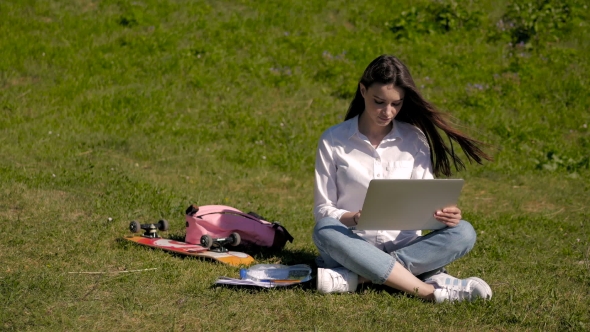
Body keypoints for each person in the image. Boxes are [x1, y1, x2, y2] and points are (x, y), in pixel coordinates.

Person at [312, 55, 494, 302]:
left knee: (464, 232)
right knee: (324, 230)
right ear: (363, 90)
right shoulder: (333, 139)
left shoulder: (414, 139)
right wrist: (354, 217)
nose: (388, 112)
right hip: (352, 244)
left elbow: (426, 200)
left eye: (396, 104)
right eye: (379, 102)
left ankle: (357, 277)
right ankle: (430, 291)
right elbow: (323, 210)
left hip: (404, 245)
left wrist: (445, 215)